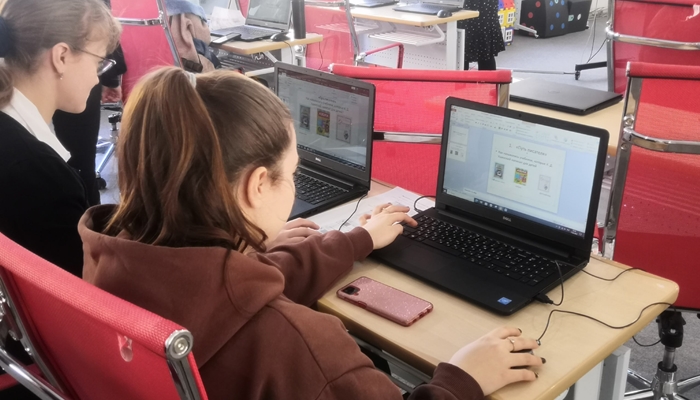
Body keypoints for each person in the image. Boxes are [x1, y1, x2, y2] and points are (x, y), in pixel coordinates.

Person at [79, 67, 544, 400]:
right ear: (257, 185)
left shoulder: (112, 261)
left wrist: (357, 239)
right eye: (292, 172)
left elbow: (229, 297)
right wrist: (461, 380)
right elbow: (254, 316)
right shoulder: (300, 347)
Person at [0, 0, 121, 277]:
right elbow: (83, 287)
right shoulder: (42, 177)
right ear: (61, 57)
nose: (97, 80)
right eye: (98, 62)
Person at [459, 0, 505, 70]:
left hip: (483, 13)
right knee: (464, 51)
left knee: (464, 50)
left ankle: (462, 75)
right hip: (484, 14)